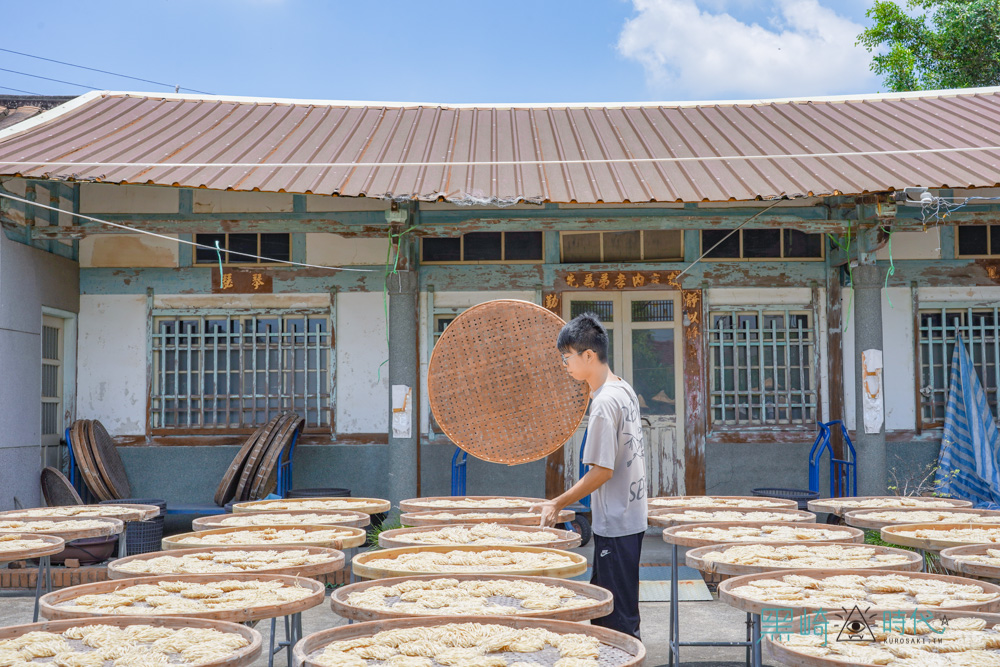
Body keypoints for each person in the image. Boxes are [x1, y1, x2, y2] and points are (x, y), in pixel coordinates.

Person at [533, 312, 647, 639]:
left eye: (567, 357)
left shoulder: (604, 404)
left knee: (617, 619)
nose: (565, 364)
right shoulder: (622, 389)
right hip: (630, 515)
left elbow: (602, 471)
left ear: (588, 355)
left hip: (617, 520)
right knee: (611, 605)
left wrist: (556, 502)